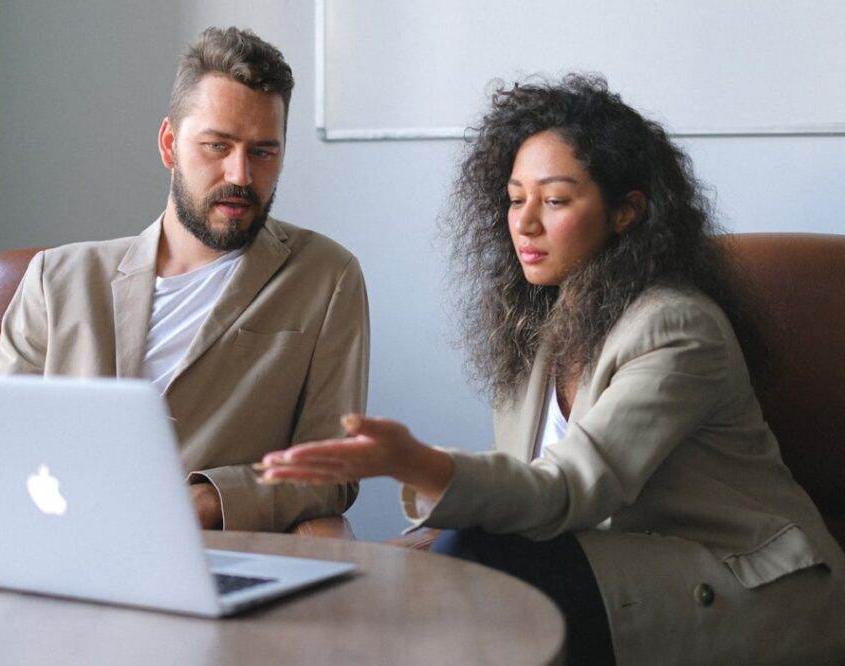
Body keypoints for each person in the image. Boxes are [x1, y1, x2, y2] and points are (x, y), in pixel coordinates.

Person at [257, 75, 845, 664]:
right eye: (516, 198)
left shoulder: (677, 328)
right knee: (440, 565)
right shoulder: (543, 325)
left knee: (482, 558)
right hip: (619, 565)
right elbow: (520, 485)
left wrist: (416, 464)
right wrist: (409, 550)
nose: (525, 222)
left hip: (748, 585)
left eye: (556, 200)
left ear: (626, 212)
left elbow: (570, 489)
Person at [0, 26, 368, 551]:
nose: (241, 174)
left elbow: (333, 469)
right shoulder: (58, 277)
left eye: (263, 152)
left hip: (180, 552)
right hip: (9, 535)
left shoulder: (324, 276)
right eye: (217, 145)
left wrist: (203, 503)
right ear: (169, 145)